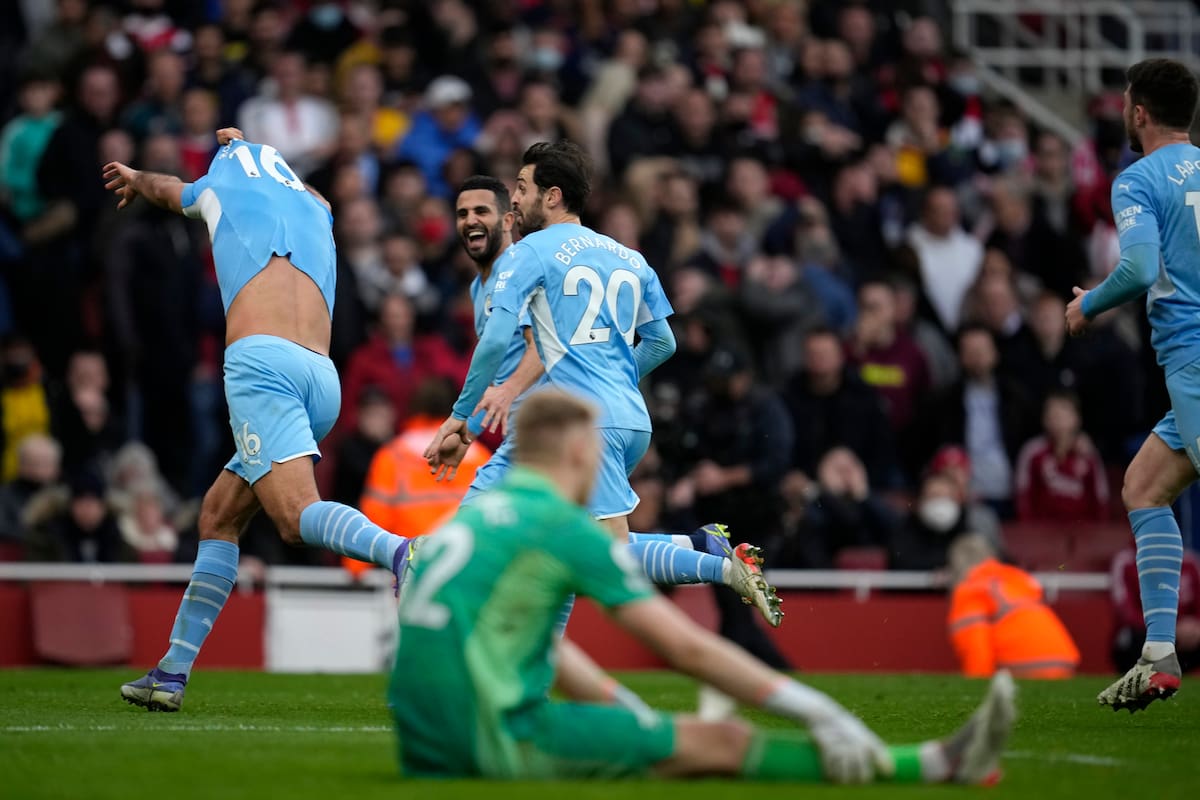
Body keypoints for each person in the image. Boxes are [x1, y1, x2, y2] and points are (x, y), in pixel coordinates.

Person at [391, 389, 1016, 783]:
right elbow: (684, 648)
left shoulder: (468, 523)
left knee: (658, 748)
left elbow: (545, 650)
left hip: (420, 744)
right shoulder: (562, 527)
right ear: (581, 454)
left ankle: (711, 564)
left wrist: (628, 712)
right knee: (721, 741)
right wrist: (817, 710)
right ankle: (929, 767)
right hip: (484, 743)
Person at [104, 129, 412, 712]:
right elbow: (282, 180)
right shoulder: (315, 205)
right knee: (219, 515)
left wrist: (139, 178)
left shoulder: (216, 184)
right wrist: (249, 146)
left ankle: (403, 556)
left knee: (294, 519)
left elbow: (171, 189)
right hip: (323, 377)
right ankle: (171, 672)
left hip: (262, 364)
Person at [436, 174, 781, 624]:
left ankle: (713, 570)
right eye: (462, 213)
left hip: (557, 432)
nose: (469, 221)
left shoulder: (525, 265)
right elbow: (659, 342)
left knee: (576, 552)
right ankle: (696, 548)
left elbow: (541, 352)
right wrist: (474, 428)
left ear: (508, 218)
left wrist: (464, 419)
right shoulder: (487, 286)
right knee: (558, 547)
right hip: (566, 428)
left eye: (484, 210)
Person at [1065, 58, 1200, 711]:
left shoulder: (1138, 179)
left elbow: (1142, 266)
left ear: (1138, 111)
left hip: (1196, 358)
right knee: (1145, 486)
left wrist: (1088, 304)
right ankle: (1158, 655)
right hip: (1188, 376)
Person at [946, 533, 1080, 679]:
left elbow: (976, 648)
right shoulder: (1015, 579)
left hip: (1022, 665)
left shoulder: (970, 590)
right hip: (1064, 662)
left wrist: (976, 684)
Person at [1014, 390, 1110, 523]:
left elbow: (1100, 500)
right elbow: (1023, 498)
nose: (1057, 419)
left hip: (1084, 533)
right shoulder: (1032, 452)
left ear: (1077, 418)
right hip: (1040, 534)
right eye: (1052, 414)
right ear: (1044, 419)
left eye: (1063, 413)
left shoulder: (1088, 454)